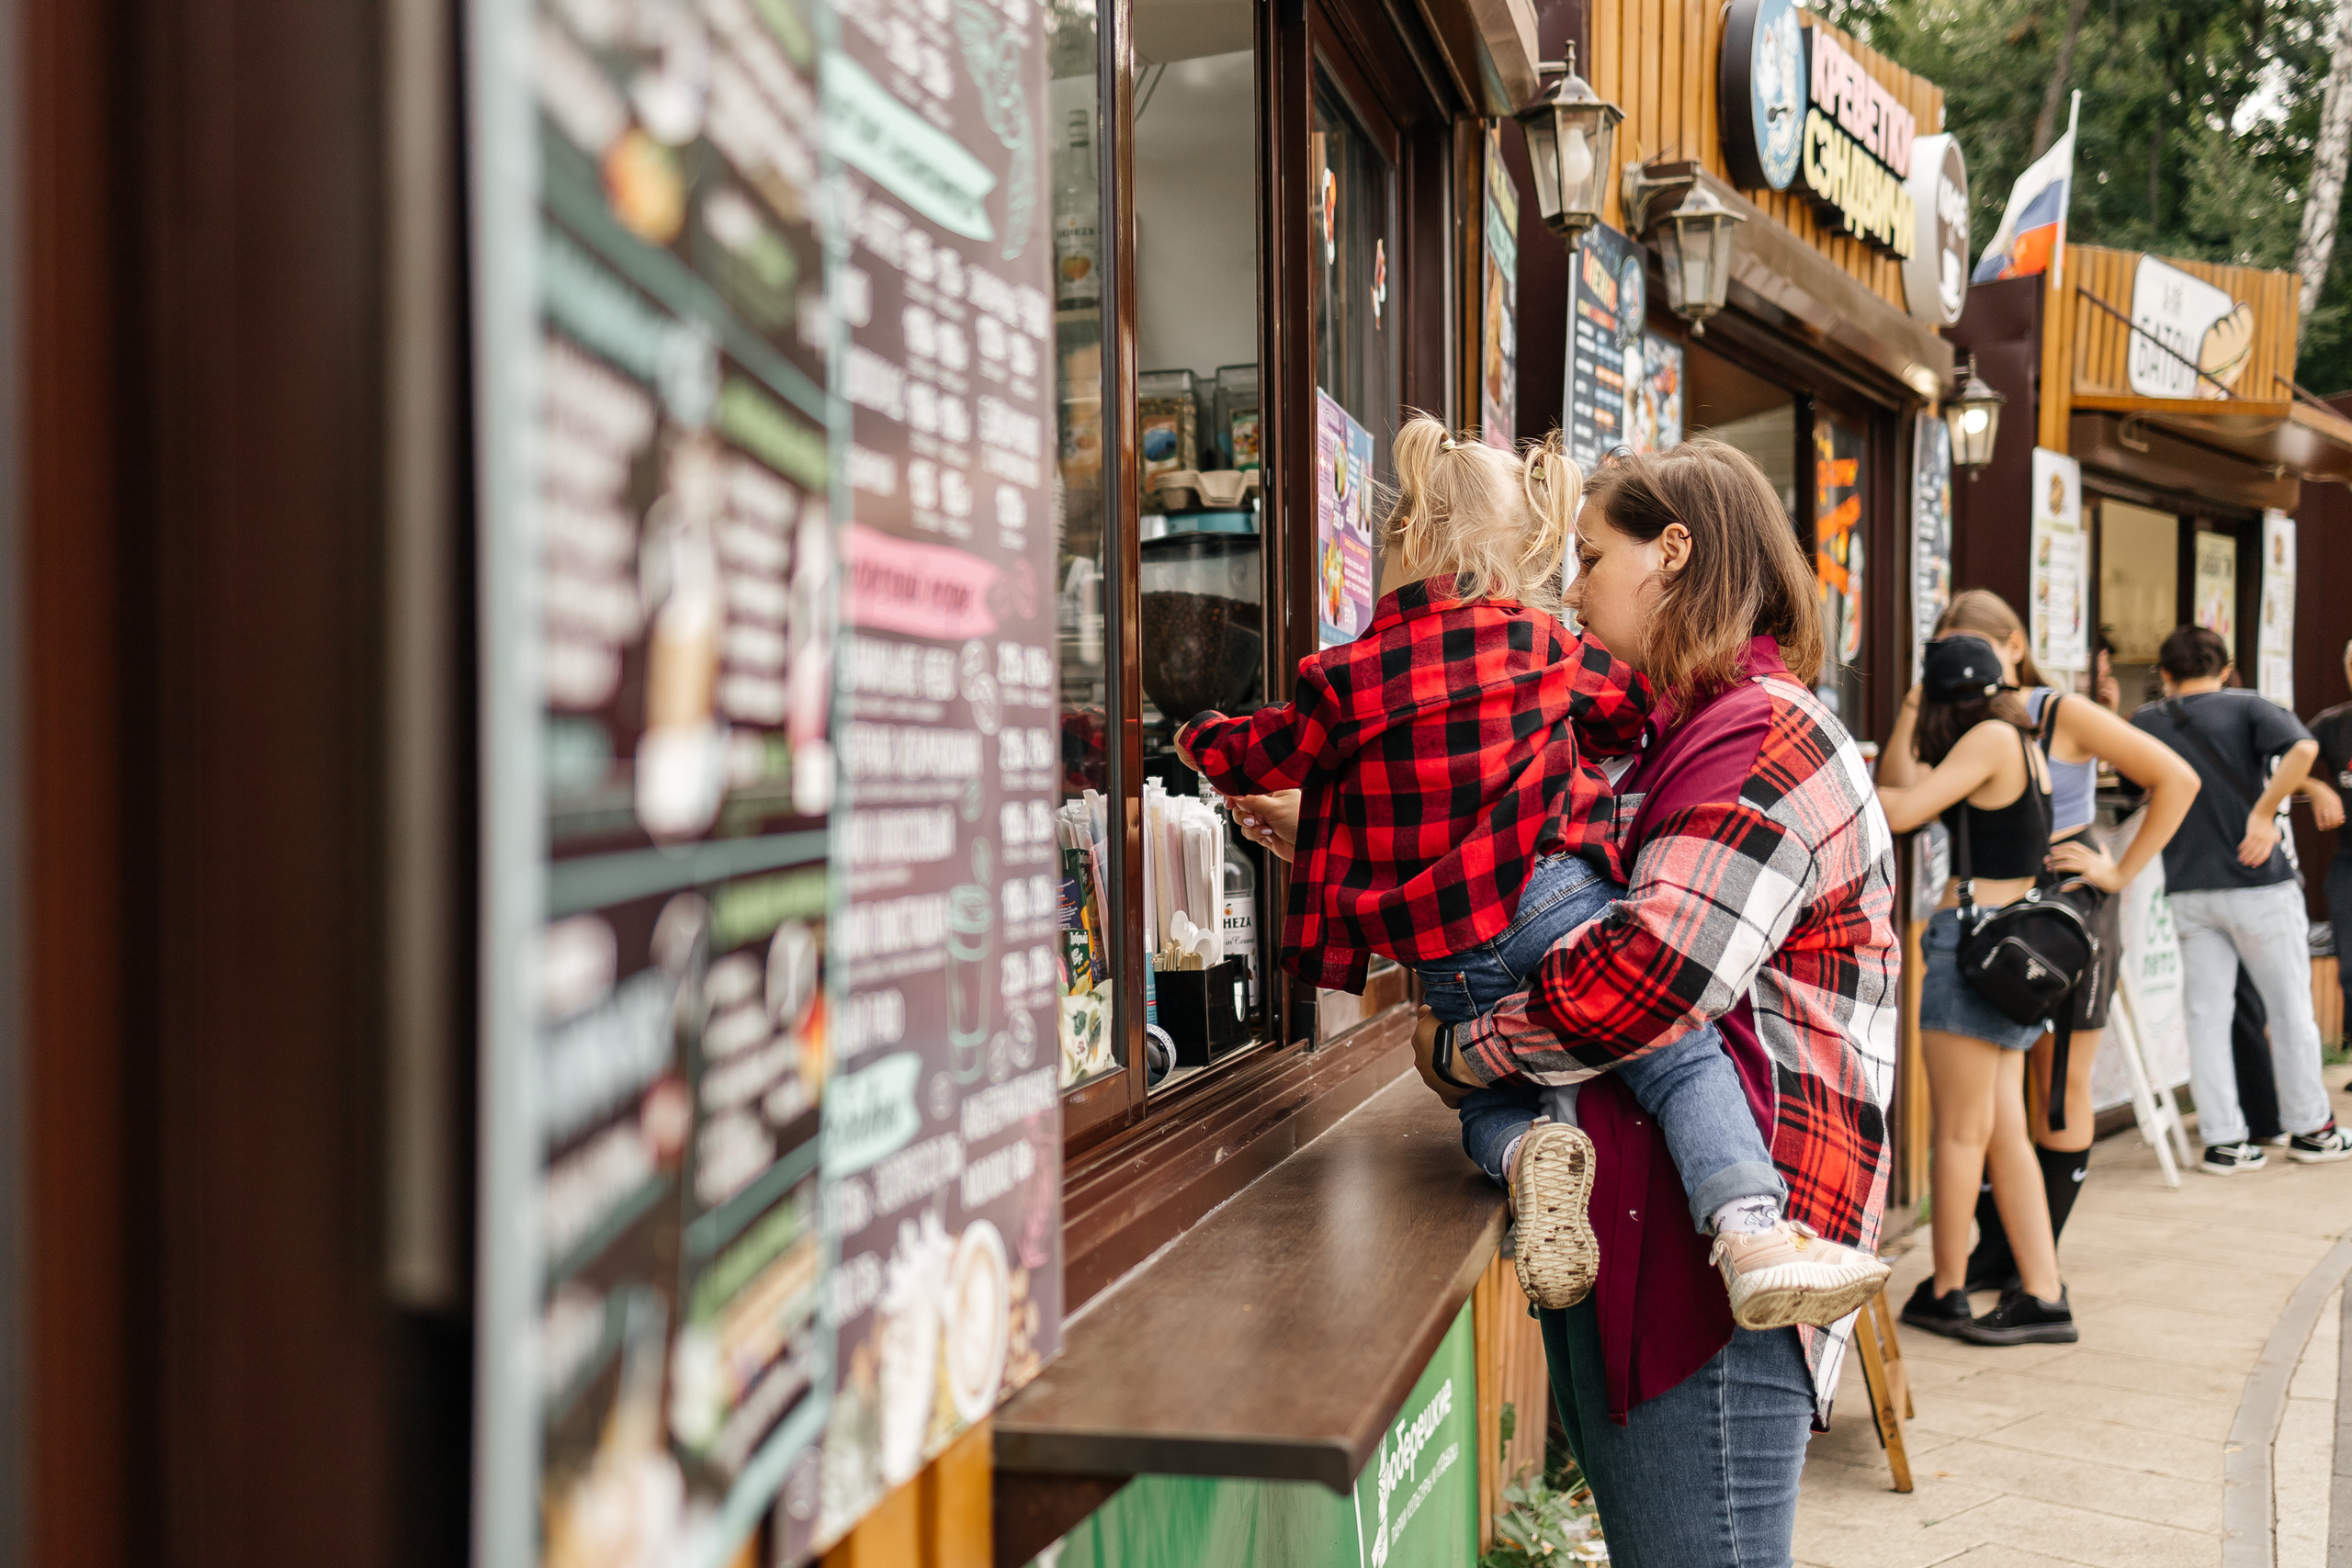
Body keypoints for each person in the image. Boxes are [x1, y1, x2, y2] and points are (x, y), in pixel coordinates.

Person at [1176, 417, 1886, 1330]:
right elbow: (1629, 713)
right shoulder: (1546, 650)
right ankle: (1750, 1228)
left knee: (1487, 1101)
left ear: (1408, 543)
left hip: (1447, 958)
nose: (1577, 588)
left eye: (1588, 563)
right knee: (1675, 1055)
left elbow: (1265, 752)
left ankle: (1523, 1160)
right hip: (1553, 898)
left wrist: (1192, 738)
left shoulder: (1343, 676)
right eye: (1570, 562)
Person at [1396, 438, 1898, 1565]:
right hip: (1656, 1222)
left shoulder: (1763, 734)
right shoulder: (1673, 729)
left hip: (1717, 1247)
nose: (1571, 590)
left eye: (1587, 557)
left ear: (1673, 553)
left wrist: (1461, 1052)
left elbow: (1646, 975)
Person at [1921, 592, 2197, 1298]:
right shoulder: (1978, 719)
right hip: (2009, 917)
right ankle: (2009, 1258)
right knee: (2003, 1100)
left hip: (2063, 919)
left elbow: (2177, 778)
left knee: (2058, 1090)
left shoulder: (2052, 712)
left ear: (2014, 645)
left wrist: (2118, 870)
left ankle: (2029, 1267)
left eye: (1977, 644)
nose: (1971, 662)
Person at [1874, 631, 2075, 1345]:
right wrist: (1909, 713)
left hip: (1976, 944)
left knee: (1960, 1133)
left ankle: (1949, 1288)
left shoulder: (1986, 738)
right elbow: (1908, 779)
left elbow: (1897, 809)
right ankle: (2043, 1292)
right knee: (2002, 1130)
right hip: (2010, 942)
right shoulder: (2013, 733)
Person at [2131, 625, 2352, 1172]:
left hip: (2187, 887)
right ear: (2226, 667)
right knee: (2290, 1009)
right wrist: (2262, 811)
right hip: (2259, 884)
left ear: (2163, 674)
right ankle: (2312, 1130)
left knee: (2206, 1015)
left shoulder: (2145, 721)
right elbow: (2303, 746)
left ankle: (2224, 1140)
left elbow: (2137, 787)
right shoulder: (2248, 705)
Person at [2300, 638, 2352, 1043]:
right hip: (2349, 859)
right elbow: (2280, 759)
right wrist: (2316, 787)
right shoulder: (2333, 724)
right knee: (2349, 965)